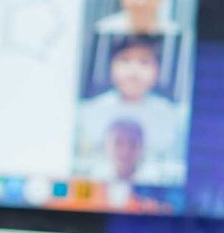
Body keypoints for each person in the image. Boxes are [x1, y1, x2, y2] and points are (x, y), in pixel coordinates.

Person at [76, 36, 185, 184]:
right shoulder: (89, 111)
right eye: (125, 60)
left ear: (157, 70)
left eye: (143, 62)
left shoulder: (173, 116)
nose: (133, 71)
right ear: (111, 66)